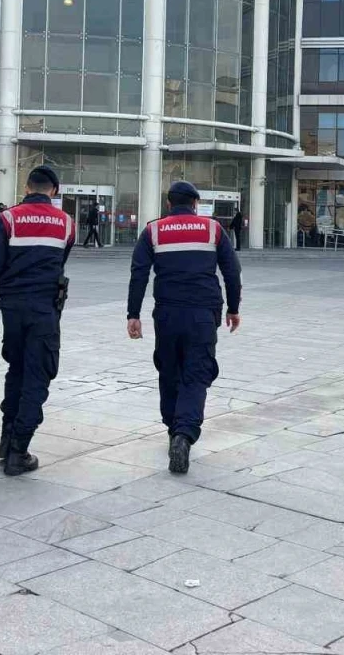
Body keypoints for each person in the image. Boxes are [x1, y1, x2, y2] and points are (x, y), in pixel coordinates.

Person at [127, 181, 242, 475]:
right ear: (195, 204)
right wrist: (233, 308)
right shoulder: (213, 229)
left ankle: (172, 430)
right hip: (203, 314)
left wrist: (133, 314)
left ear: (168, 204)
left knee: (169, 372)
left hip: (167, 315)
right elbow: (232, 271)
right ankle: (184, 433)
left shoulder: (153, 230)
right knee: (196, 373)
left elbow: (139, 272)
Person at [0, 165, 75, 476]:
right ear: (54, 190)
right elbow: (60, 261)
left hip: (12, 307)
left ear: (26, 187)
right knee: (38, 375)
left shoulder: (7, 219)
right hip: (44, 308)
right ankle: (18, 450)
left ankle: (6, 440)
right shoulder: (66, 222)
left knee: (16, 370)